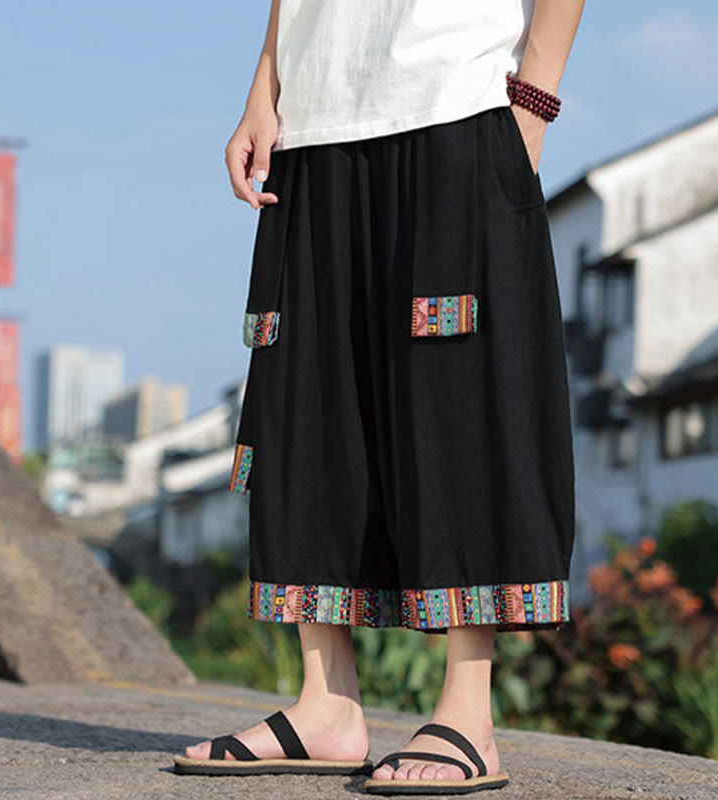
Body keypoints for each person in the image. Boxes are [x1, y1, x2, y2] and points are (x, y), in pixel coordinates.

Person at [174, 0, 585, 794]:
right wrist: (266, 85)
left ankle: (468, 712)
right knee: (311, 403)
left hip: (455, 96)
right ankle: (325, 704)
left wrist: (532, 103)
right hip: (314, 116)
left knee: (459, 406)